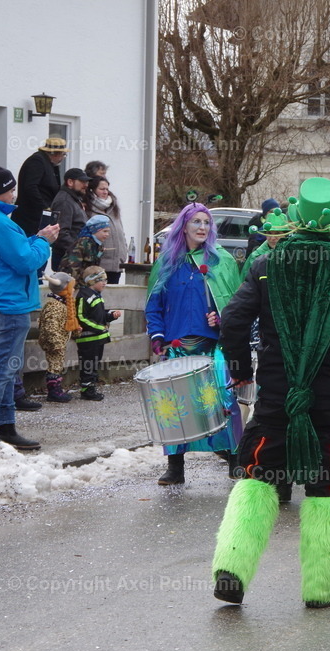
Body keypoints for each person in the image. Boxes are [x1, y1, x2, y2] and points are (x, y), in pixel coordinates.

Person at [212, 177, 330, 608]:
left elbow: (233, 322)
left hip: (276, 394)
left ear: (295, 219)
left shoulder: (265, 265)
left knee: (258, 477)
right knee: (327, 488)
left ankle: (232, 567)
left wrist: (240, 371)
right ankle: (323, 588)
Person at [145, 203, 243, 484]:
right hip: (176, 345)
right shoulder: (167, 262)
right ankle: (175, 467)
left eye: (207, 222)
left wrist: (221, 318)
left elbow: (237, 303)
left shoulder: (221, 261)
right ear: (184, 226)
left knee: (223, 401)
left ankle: (235, 458)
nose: (202, 227)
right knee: (173, 406)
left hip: (212, 345)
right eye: (196, 222)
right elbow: (153, 305)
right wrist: (157, 335)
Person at [0, 166, 58, 452]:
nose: (14, 194)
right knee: (4, 369)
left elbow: (9, 254)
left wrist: (34, 239)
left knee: (3, 367)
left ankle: (5, 426)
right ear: (0, 191)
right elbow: (25, 262)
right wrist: (44, 241)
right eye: (11, 189)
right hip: (9, 302)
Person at [74, 266, 121, 401]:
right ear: (91, 281)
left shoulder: (97, 296)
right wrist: (98, 328)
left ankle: (91, 387)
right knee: (88, 364)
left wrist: (111, 315)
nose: (105, 283)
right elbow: (81, 317)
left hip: (98, 338)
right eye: (101, 280)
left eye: (105, 280)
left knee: (95, 363)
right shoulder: (84, 296)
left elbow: (100, 316)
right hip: (88, 338)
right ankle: (86, 390)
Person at [12, 138, 67, 237]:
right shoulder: (37, 161)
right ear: (56, 154)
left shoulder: (48, 163)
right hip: (29, 219)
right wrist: (45, 207)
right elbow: (30, 187)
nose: (63, 158)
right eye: (63, 154)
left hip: (37, 218)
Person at [38, 272, 80, 403]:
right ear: (64, 289)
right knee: (54, 365)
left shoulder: (62, 303)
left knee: (58, 364)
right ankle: (54, 392)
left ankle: (56, 389)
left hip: (59, 341)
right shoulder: (54, 305)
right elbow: (50, 326)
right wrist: (56, 343)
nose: (74, 289)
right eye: (72, 287)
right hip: (54, 342)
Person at [85, 175, 127, 284]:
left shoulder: (113, 208)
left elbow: (121, 233)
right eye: (101, 189)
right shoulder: (88, 210)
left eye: (107, 189)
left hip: (117, 264)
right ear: (93, 190)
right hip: (99, 264)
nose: (105, 192)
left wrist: (124, 252)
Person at [49, 167, 91, 271]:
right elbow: (61, 233)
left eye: (86, 182)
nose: (86, 185)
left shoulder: (72, 199)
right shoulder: (65, 201)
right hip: (67, 261)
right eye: (82, 181)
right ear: (70, 182)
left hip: (71, 259)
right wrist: (79, 250)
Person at [61, 214, 111, 280]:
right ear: (94, 230)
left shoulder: (98, 244)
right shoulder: (83, 243)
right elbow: (73, 266)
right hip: (72, 279)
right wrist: (76, 283)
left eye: (108, 232)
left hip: (87, 280)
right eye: (104, 231)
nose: (107, 234)